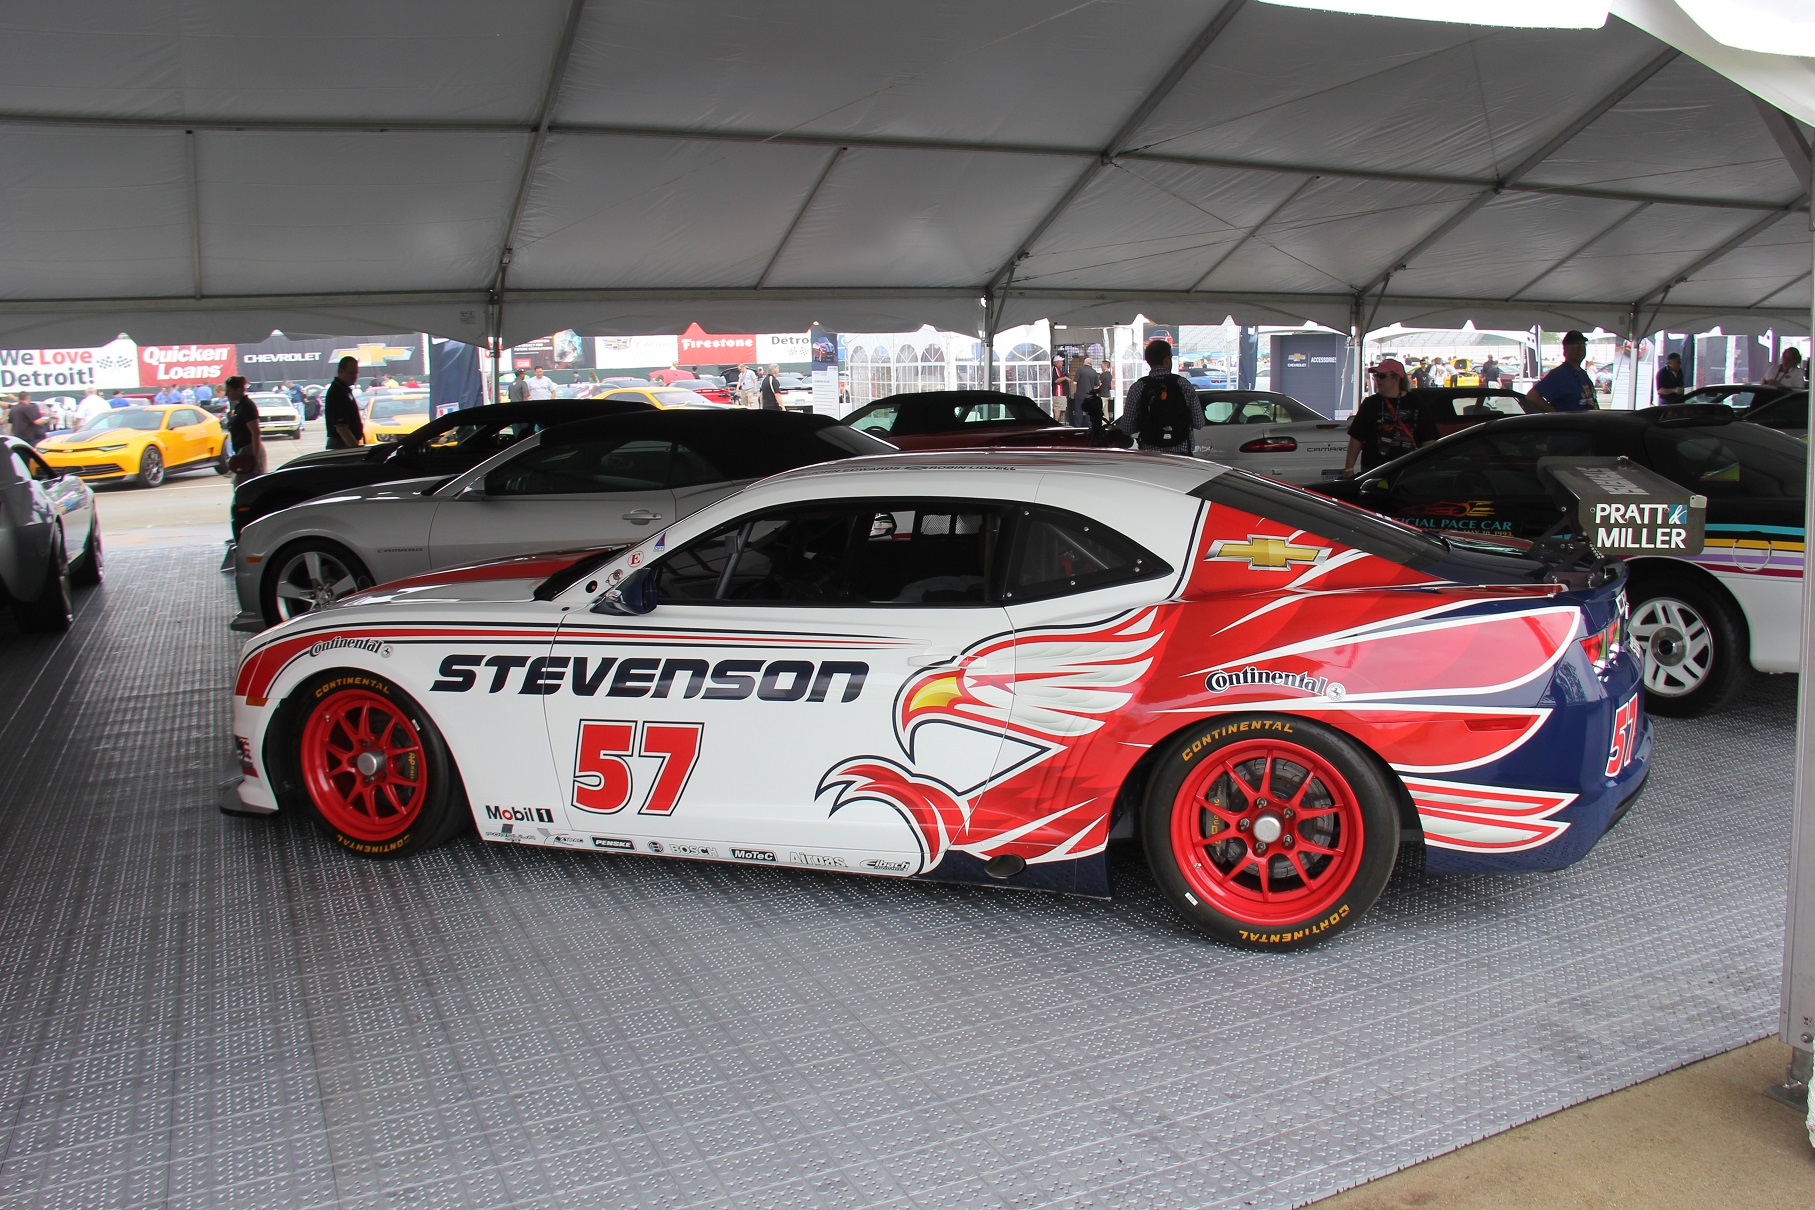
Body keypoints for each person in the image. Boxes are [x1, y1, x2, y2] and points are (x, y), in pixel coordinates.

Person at [1344, 359, 1436, 474]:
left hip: (1408, 470)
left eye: (1382, 376)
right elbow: (1356, 437)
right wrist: (1349, 468)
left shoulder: (1416, 403)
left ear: (1396, 378)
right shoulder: (1370, 403)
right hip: (1374, 470)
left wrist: (1429, 470)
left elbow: (1428, 440)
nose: (1377, 379)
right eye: (1376, 375)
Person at [1114, 339, 1201, 454]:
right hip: (1181, 456)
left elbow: (1127, 428)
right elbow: (1199, 422)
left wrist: (1146, 424)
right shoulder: (1183, 384)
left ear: (1148, 361)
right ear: (1166, 360)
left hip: (1151, 457)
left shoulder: (1138, 387)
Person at [1526, 330, 1599, 412]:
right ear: (1565, 350)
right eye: (1574, 345)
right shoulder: (1559, 374)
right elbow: (1532, 396)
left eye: (1582, 344)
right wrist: (1556, 415)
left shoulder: (1582, 373)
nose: (1580, 348)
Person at [223, 376, 264, 484]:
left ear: (239, 390)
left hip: (248, 450)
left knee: (247, 485)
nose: (226, 394)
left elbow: (255, 433)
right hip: (242, 451)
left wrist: (255, 458)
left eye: (229, 391)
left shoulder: (247, 406)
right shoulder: (239, 406)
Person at [323, 355, 364, 449]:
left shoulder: (344, 390)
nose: (355, 376)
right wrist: (355, 449)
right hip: (341, 444)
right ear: (341, 372)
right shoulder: (337, 392)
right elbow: (341, 428)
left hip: (344, 443)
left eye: (356, 373)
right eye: (351, 373)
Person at [1066, 357, 1100, 428]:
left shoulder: (1080, 370)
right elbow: (1097, 385)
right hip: (1090, 396)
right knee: (1089, 412)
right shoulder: (1094, 372)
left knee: (1079, 410)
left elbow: (1075, 382)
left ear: (1084, 362)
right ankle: (1089, 426)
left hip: (1080, 395)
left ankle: (1078, 426)